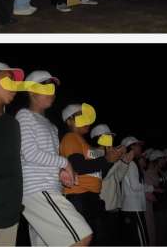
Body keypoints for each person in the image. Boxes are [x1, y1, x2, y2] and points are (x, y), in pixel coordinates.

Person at [15, 70, 93, 246]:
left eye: (53, 89)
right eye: (46, 88)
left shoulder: (52, 126)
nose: (52, 93)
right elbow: (29, 153)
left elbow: (48, 158)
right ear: (31, 91)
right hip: (37, 188)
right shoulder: (24, 115)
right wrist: (65, 163)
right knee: (82, 236)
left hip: (50, 187)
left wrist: (61, 173)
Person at [60, 105, 125, 245]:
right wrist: (107, 160)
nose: (87, 120)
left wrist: (111, 160)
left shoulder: (85, 144)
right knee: (87, 240)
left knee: (99, 239)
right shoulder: (71, 137)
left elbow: (99, 175)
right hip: (79, 196)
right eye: (81, 116)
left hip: (92, 197)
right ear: (69, 121)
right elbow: (77, 166)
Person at [0, 60, 24, 247]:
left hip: (11, 211)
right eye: (8, 80)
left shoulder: (13, 124)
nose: (14, 88)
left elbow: (14, 167)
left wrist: (16, 203)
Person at [91, 125, 133, 247]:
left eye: (111, 137)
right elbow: (101, 177)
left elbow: (117, 177)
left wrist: (125, 162)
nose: (110, 139)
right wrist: (114, 160)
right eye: (107, 136)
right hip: (103, 207)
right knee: (103, 241)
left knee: (113, 240)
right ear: (98, 138)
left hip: (113, 205)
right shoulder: (93, 153)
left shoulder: (110, 153)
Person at [121, 136, 154, 246]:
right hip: (134, 207)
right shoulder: (131, 163)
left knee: (134, 240)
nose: (140, 148)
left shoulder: (126, 162)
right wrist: (151, 188)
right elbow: (135, 186)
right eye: (138, 145)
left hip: (130, 207)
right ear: (132, 147)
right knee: (142, 240)